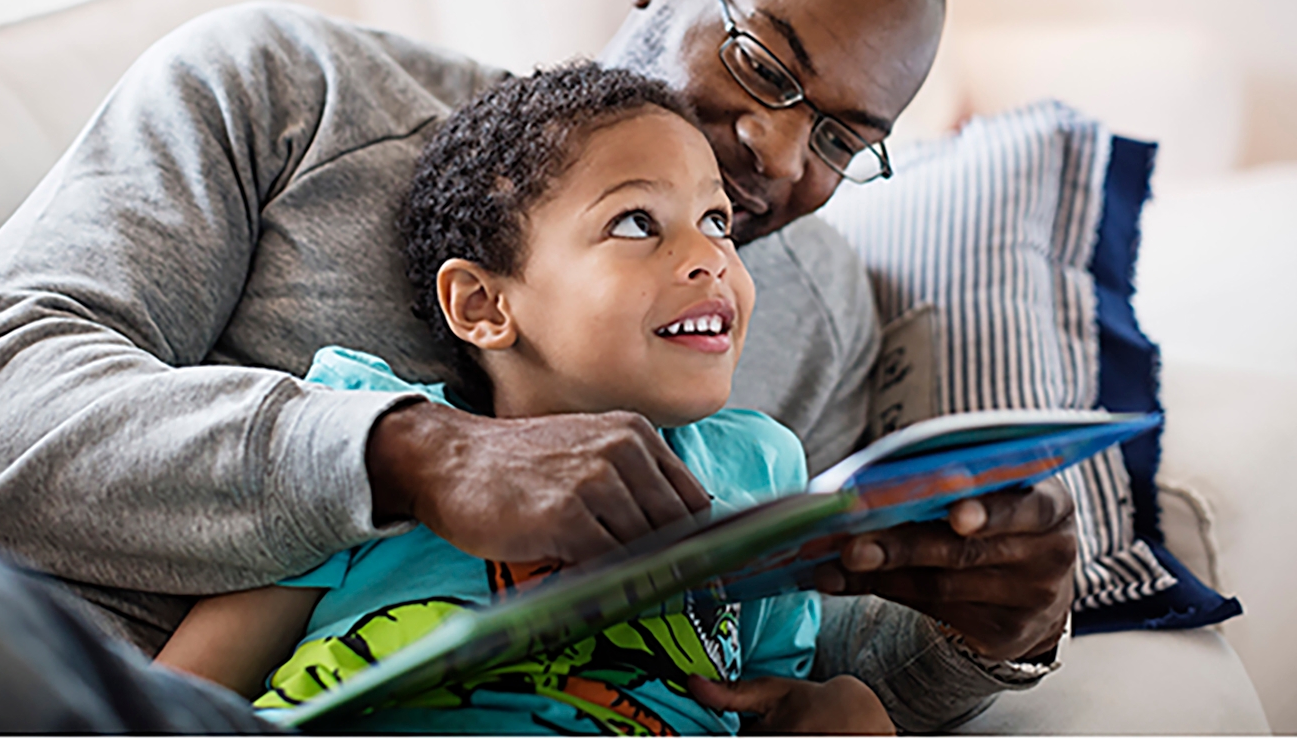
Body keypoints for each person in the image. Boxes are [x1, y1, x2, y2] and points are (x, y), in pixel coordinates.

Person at [0, 0, 1075, 731]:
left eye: (837, 138)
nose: (772, 155)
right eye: (762, 62)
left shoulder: (808, 309)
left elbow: (788, 651)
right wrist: (406, 453)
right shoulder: (288, 86)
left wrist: (979, 631)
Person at [155, 61, 895, 736]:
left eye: (717, 222)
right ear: (482, 304)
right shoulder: (369, 439)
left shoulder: (758, 472)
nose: (709, 259)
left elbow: (764, 704)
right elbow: (173, 703)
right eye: (636, 222)